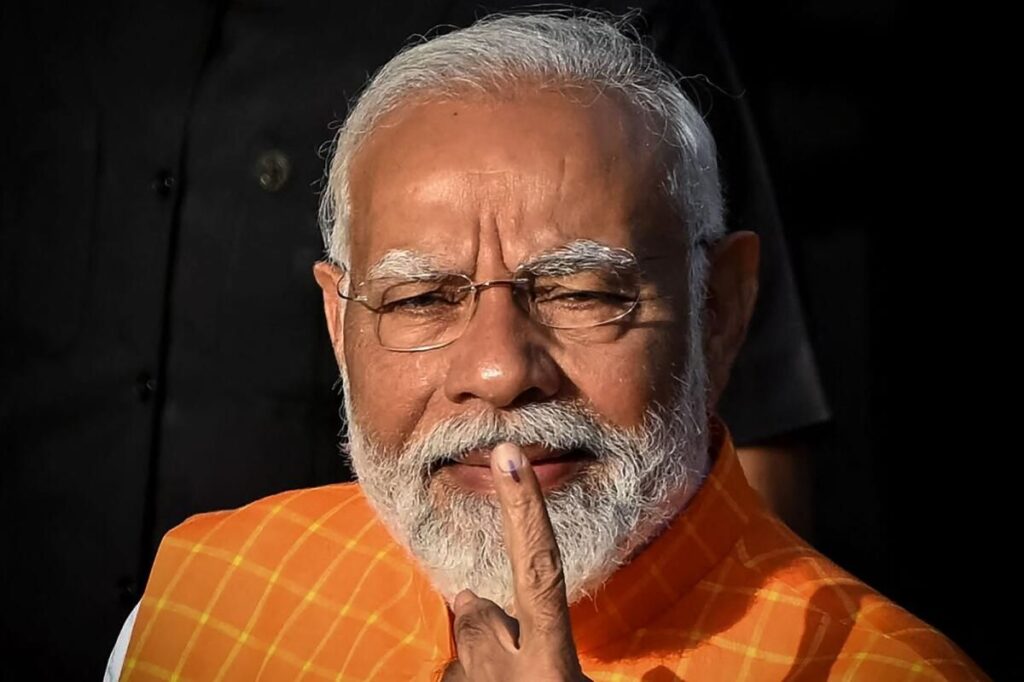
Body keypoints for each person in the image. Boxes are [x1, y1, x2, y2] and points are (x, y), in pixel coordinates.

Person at [105, 13, 982, 680]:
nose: (498, 370)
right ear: (340, 327)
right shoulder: (204, 597)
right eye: (422, 299)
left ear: (720, 311)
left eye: (579, 293)